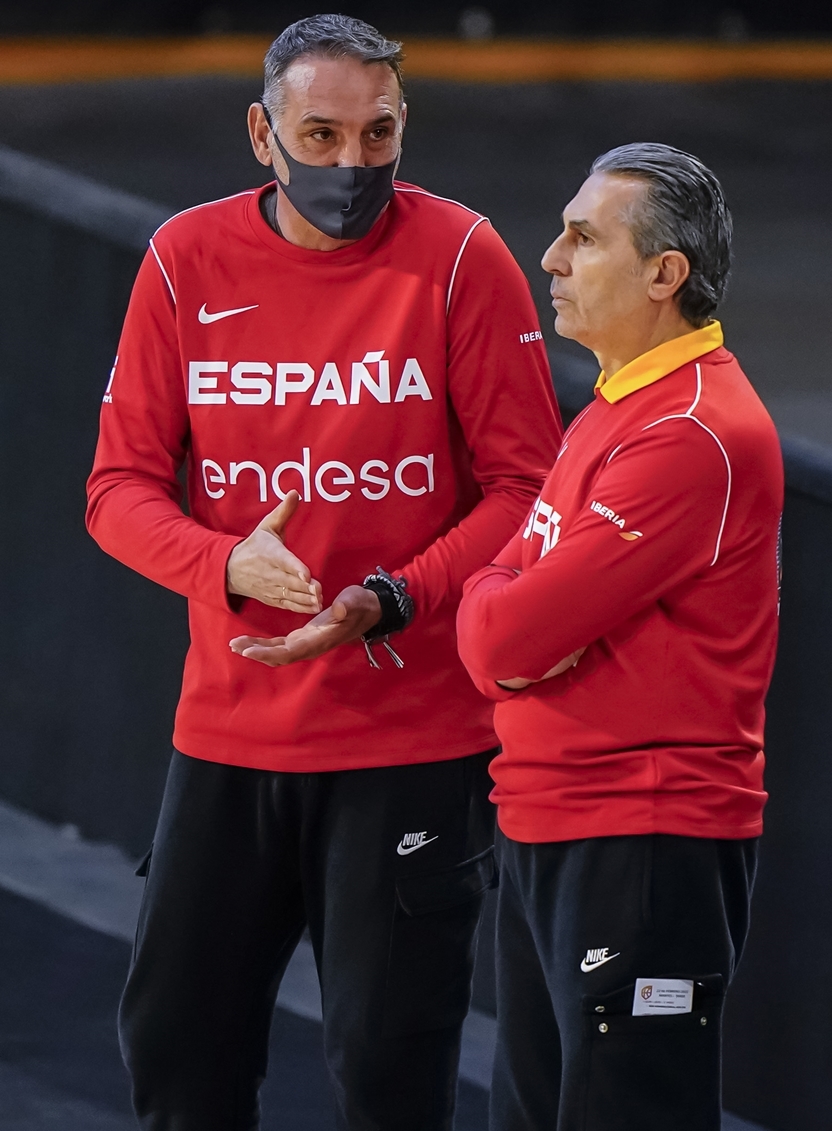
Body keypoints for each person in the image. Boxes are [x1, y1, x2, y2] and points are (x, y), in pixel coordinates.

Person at [85, 13, 561, 1131]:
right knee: (175, 1051)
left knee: (389, 1072)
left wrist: (391, 598)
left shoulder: (460, 256)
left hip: (410, 743)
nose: (352, 165)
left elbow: (527, 490)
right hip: (229, 735)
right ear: (263, 133)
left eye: (378, 134)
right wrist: (227, 564)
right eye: (321, 134)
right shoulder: (183, 260)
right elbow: (116, 491)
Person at [457, 143, 783, 1131]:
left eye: (581, 237)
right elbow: (502, 599)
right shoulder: (616, 406)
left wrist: (505, 608)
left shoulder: (689, 432)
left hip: (640, 846)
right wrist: (503, 601)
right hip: (550, 825)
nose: (548, 259)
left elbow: (499, 643)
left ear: (662, 274)